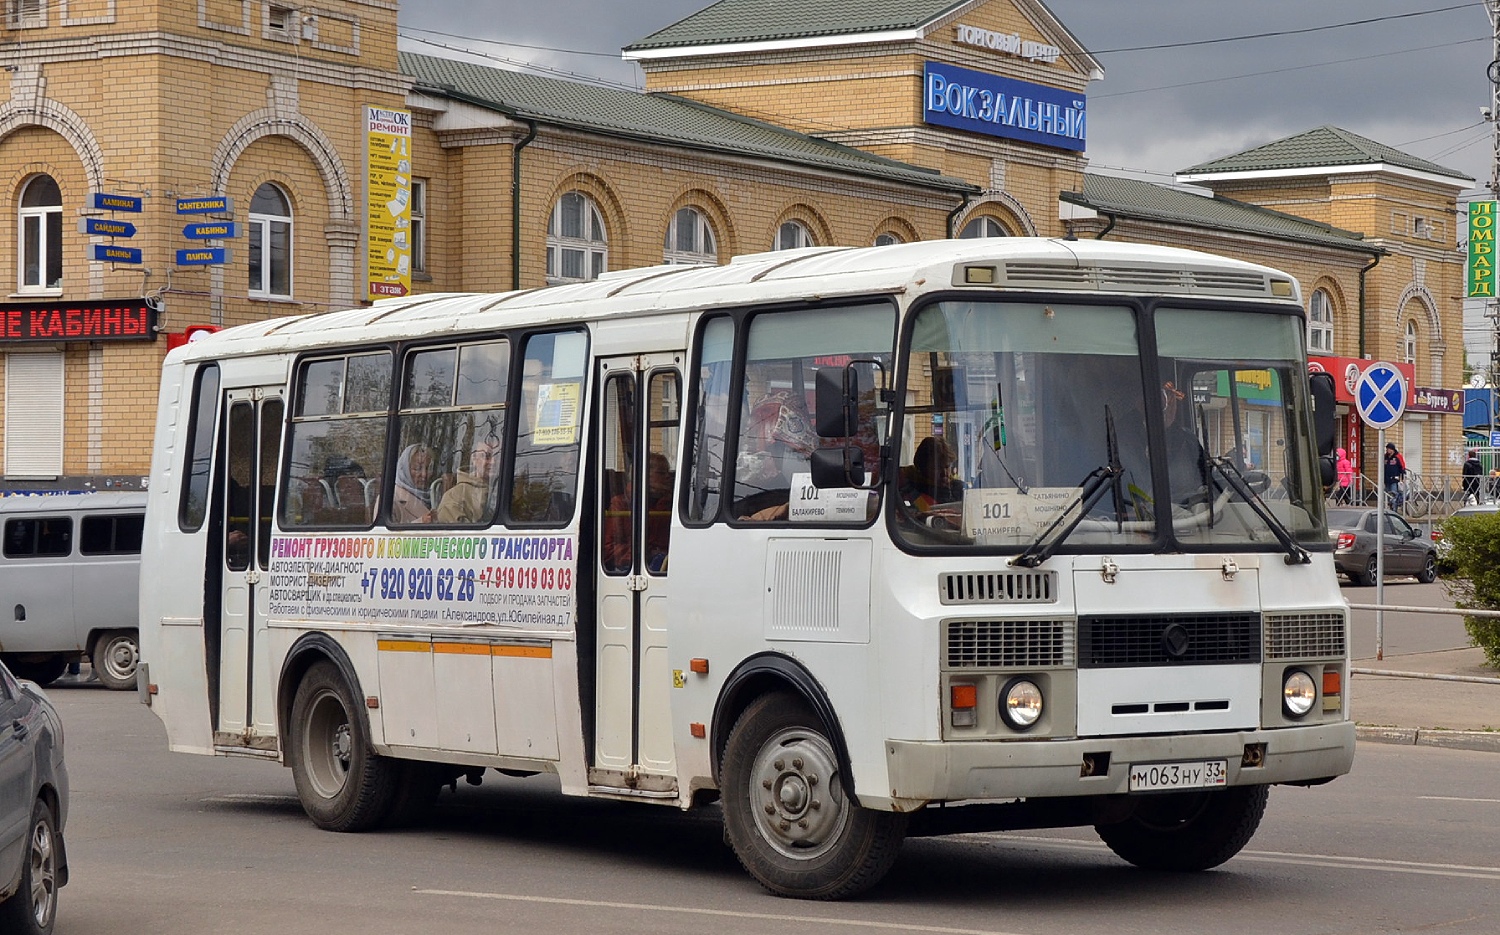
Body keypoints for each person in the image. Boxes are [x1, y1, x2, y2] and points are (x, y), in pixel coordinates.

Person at [437, 436, 501, 524]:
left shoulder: (513, 489)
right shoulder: (455, 497)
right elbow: (464, 536)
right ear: (474, 459)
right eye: (487, 456)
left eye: (498, 456)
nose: (493, 462)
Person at [900, 436, 963, 511]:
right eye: (937, 468)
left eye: (947, 466)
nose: (944, 473)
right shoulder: (909, 488)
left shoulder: (959, 487)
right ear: (923, 468)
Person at [390, 443, 436, 523]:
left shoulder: (435, 494)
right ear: (405, 470)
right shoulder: (390, 499)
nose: (424, 474)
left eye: (428, 468)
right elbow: (383, 534)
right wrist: (421, 522)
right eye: (417, 468)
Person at [1382, 442, 1406, 510]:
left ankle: (1394, 509)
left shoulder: (1397, 456)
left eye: (1388, 449)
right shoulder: (1385, 456)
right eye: (1387, 449)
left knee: (1394, 494)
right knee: (1388, 495)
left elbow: (1402, 466)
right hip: (1386, 479)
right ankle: (1390, 508)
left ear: (1392, 449)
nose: (1387, 451)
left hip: (1394, 479)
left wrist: (1403, 476)